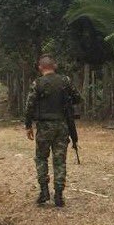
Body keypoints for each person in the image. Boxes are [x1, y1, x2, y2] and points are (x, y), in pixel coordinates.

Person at [24, 55, 81, 207]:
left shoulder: (38, 83)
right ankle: (59, 195)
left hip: (44, 127)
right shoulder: (65, 81)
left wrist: (28, 125)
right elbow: (77, 98)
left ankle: (44, 192)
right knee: (59, 160)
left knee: (41, 158)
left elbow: (29, 105)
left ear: (40, 67)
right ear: (54, 66)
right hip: (62, 125)